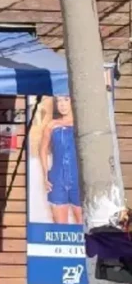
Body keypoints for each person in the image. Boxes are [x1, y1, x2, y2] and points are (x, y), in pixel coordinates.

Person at [40, 95, 82, 226]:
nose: (62, 104)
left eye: (66, 99)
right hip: (57, 179)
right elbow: (43, 150)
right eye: (59, 101)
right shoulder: (51, 125)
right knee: (60, 227)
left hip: (78, 179)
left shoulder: (82, 124)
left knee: (83, 226)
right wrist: (45, 175)